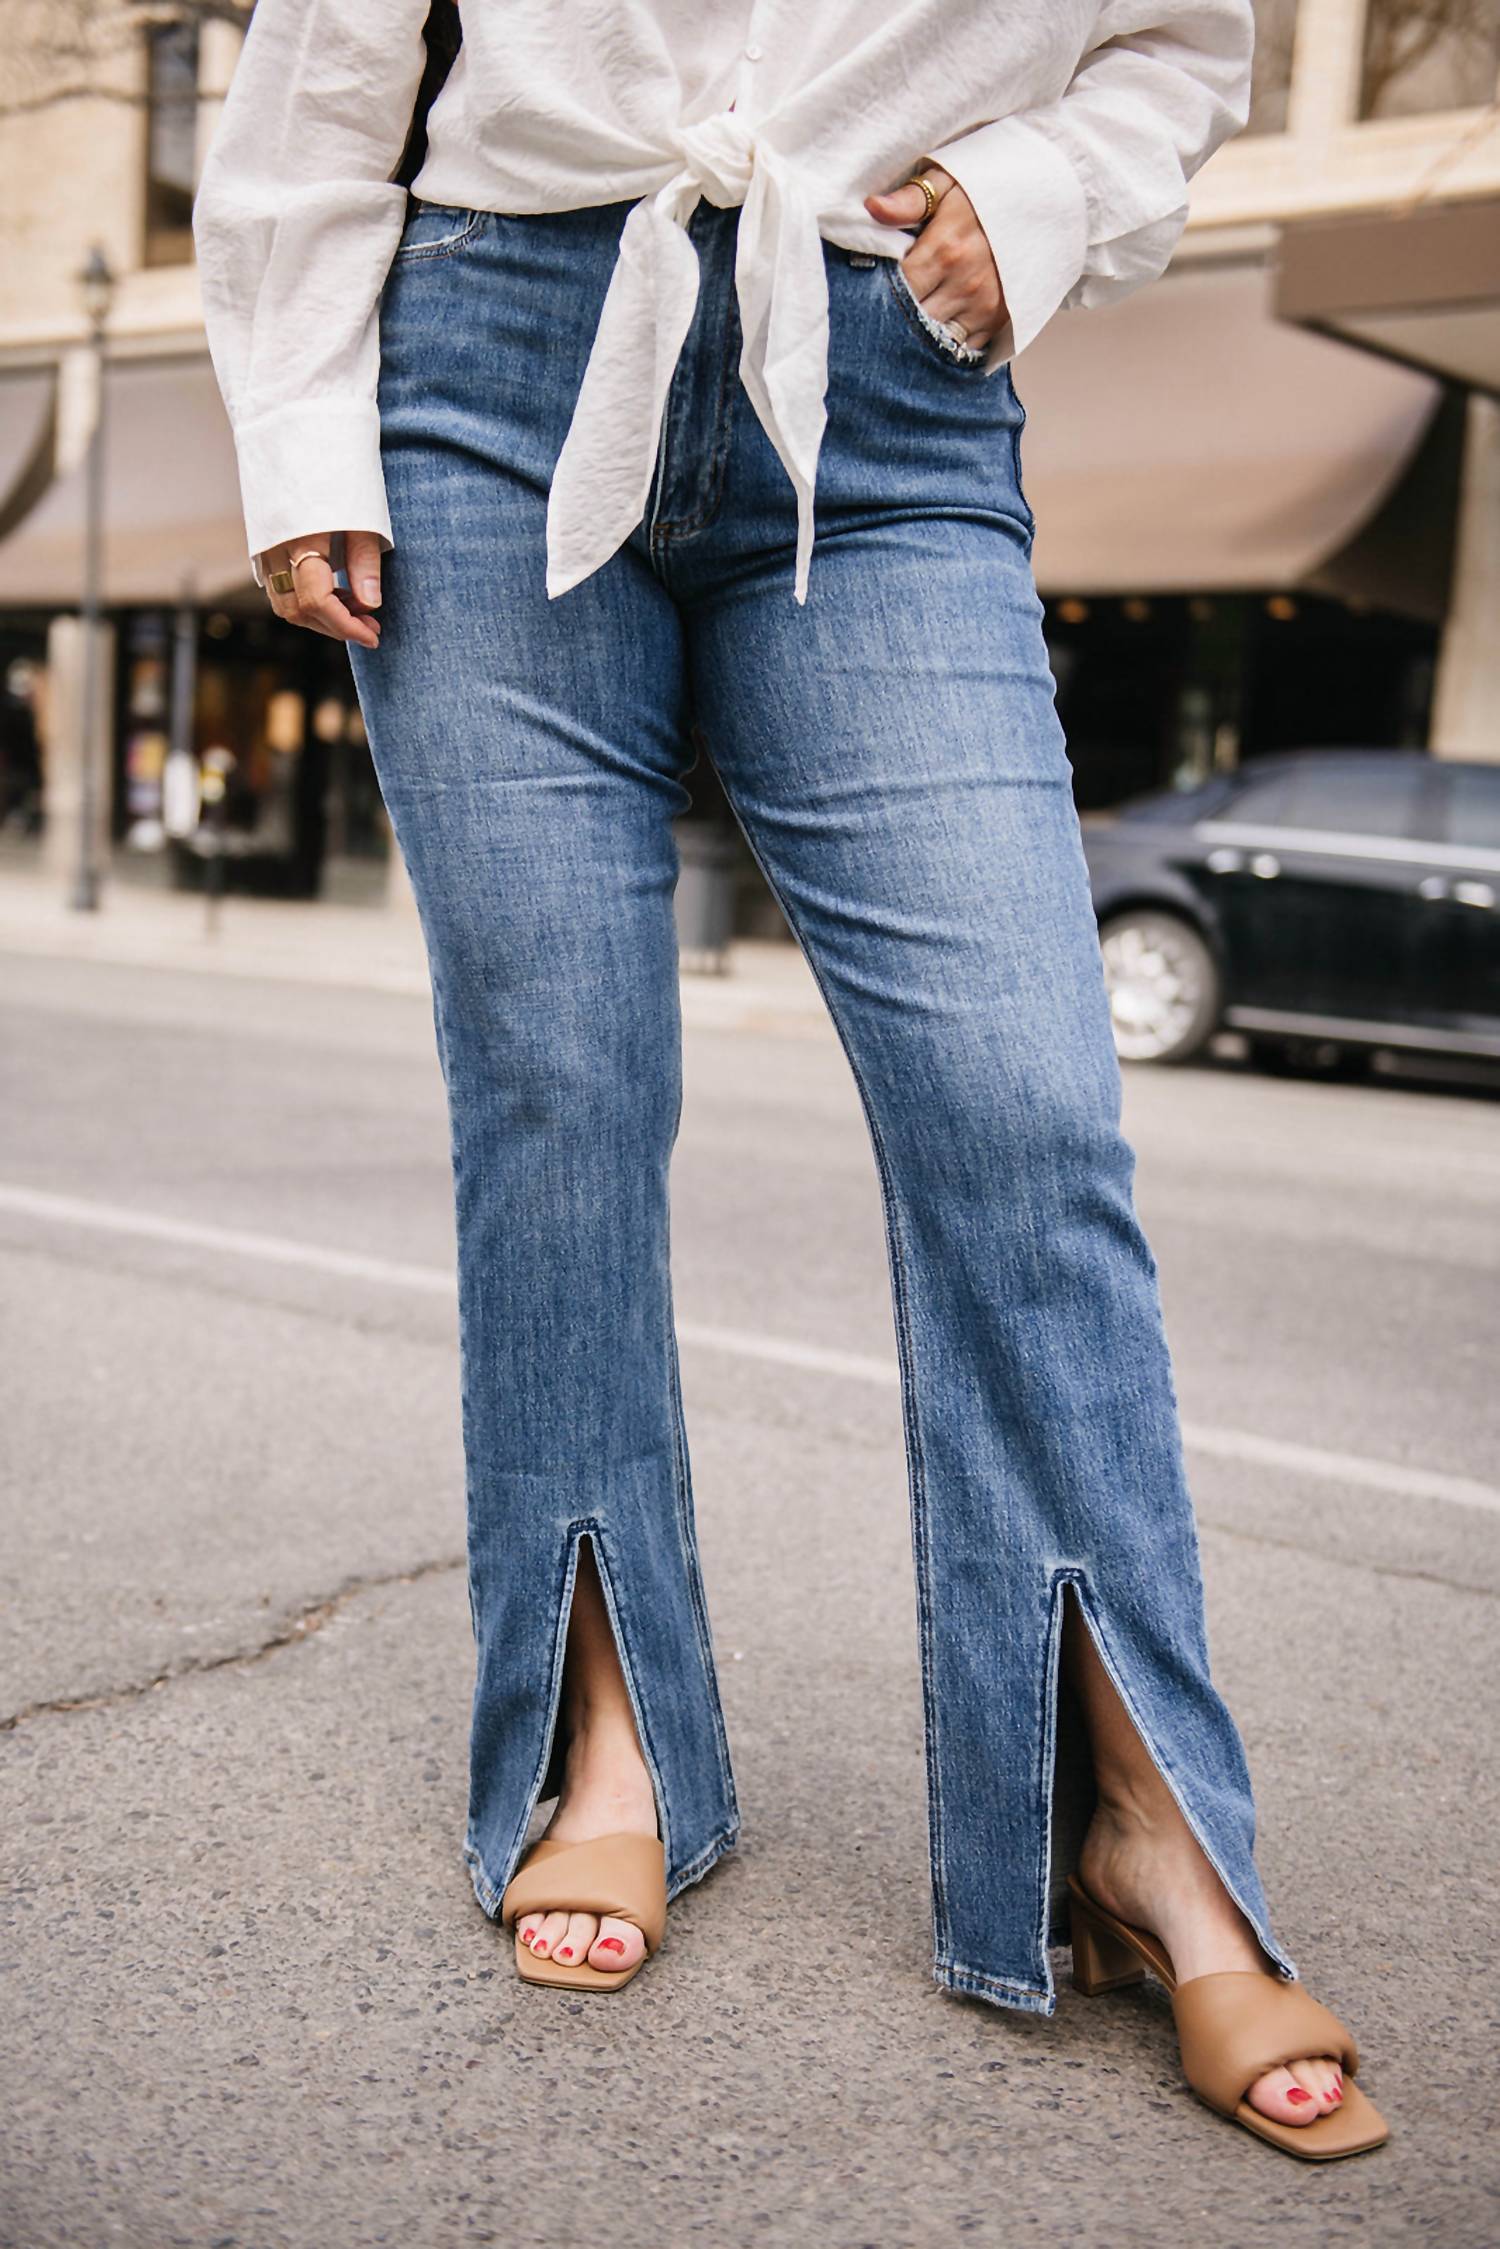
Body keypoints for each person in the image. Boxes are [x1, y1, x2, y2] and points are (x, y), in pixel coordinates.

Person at [193, 0, 1387, 2161]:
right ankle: (609, 1734)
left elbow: (1180, 41)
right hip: (488, 360)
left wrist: (1040, 192)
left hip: (891, 377)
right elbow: (329, 46)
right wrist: (298, 422)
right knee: (559, 1094)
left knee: (1025, 1113)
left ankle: (1135, 1812)